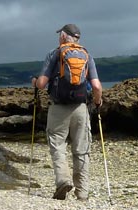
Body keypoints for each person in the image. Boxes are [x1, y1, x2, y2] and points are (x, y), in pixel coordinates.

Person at [31, 23, 104, 200]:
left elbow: (41, 84)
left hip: (58, 108)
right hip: (80, 108)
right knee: (81, 150)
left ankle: (63, 180)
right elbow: (96, 85)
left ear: (64, 36)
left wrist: (34, 82)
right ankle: (82, 193)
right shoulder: (87, 55)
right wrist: (97, 101)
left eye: (60, 35)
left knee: (57, 145)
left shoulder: (55, 54)